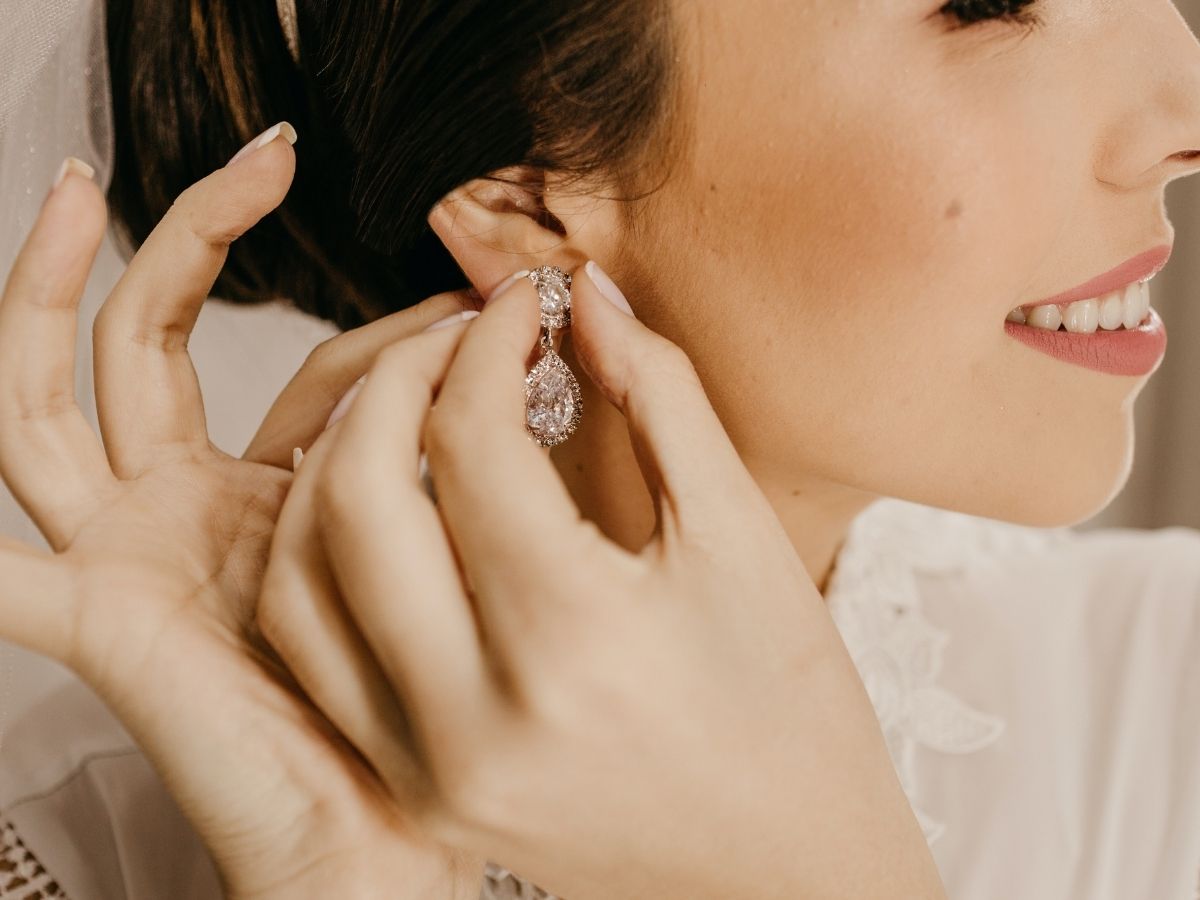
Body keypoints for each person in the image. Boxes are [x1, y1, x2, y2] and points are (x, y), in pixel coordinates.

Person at [0, 0, 1198, 898]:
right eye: (991, 1)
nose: (1185, 102)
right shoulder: (94, 837)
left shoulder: (1168, 699)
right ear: (530, 203)